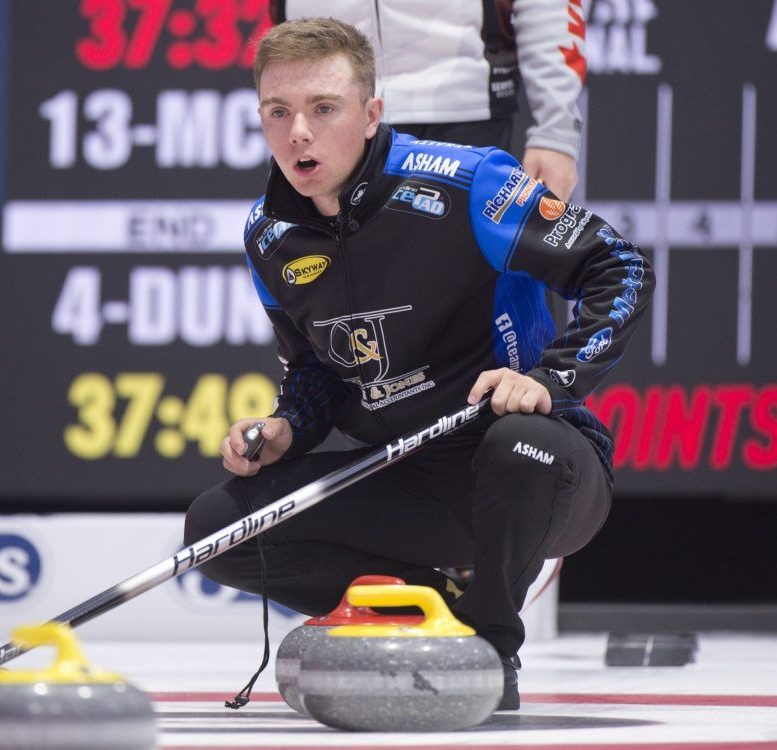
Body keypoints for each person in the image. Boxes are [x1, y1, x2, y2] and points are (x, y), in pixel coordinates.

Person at [184, 18, 652, 712]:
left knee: (519, 445)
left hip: (539, 468)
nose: (298, 134)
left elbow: (620, 266)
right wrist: (288, 426)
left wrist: (550, 380)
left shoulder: (470, 184)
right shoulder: (268, 233)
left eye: (323, 108)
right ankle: (426, 612)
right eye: (278, 113)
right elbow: (319, 371)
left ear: (372, 114)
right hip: (405, 475)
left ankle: (489, 654)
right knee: (214, 529)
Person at [272, 0, 585, 201]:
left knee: (488, 292)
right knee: (331, 292)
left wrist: (556, 131)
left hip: (465, 113)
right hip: (325, 109)